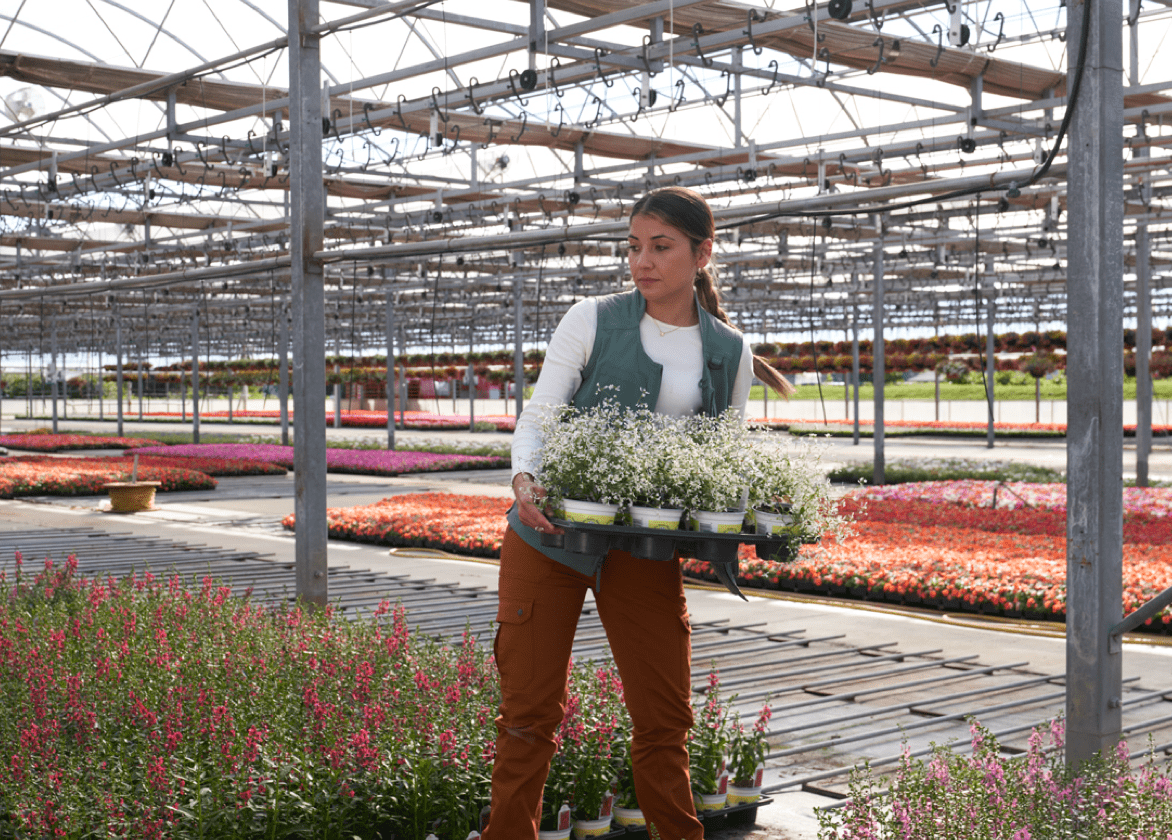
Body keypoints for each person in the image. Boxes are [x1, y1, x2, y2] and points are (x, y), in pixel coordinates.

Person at [482, 186, 793, 840]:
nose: (642, 261)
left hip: (642, 549)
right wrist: (524, 477)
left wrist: (767, 502)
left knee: (664, 720)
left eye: (661, 247)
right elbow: (541, 411)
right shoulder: (592, 318)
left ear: (703, 253)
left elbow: (721, 455)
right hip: (548, 540)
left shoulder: (728, 351)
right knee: (529, 716)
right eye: (633, 247)